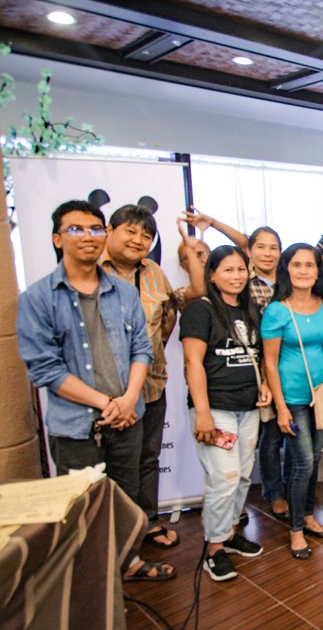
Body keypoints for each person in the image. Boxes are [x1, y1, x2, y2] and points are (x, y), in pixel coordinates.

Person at [17, 200, 170, 583]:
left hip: (128, 416)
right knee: (82, 505)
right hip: (76, 424)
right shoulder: (37, 298)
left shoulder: (124, 291)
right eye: (76, 229)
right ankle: (91, 582)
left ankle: (128, 563)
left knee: (126, 497)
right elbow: (45, 368)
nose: (88, 236)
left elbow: (142, 348)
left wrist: (129, 398)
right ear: (58, 238)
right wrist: (107, 403)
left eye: (94, 228)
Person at [180, 245, 271, 580]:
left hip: (247, 407)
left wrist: (263, 384)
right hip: (215, 409)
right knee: (224, 478)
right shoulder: (200, 311)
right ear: (213, 275)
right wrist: (202, 412)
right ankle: (214, 549)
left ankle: (229, 533)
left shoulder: (250, 308)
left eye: (241, 270)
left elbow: (257, 353)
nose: (237, 276)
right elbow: (193, 364)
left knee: (243, 475)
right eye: (228, 270)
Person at [99, 205, 180, 553]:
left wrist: (154, 354)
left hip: (151, 386)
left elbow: (168, 315)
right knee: (117, 466)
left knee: (148, 459)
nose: (138, 240)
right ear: (109, 230)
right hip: (109, 394)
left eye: (146, 235)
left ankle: (146, 522)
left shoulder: (154, 272)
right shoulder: (94, 272)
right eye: (130, 231)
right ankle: (117, 537)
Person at [261, 244, 323, 560]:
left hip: (320, 396)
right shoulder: (277, 309)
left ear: (318, 271)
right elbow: (270, 360)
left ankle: (307, 516)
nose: (304, 270)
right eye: (297, 264)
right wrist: (279, 407)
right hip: (290, 398)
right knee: (304, 461)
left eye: (310, 265)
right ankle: (295, 530)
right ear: (287, 269)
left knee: (313, 458)